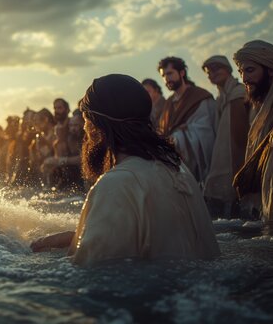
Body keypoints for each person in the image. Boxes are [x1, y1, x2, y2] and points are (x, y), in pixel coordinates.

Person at [30, 74, 220, 266]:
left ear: (97, 125)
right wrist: (78, 239)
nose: (85, 131)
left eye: (86, 120)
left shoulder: (116, 184)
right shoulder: (177, 168)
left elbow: (97, 277)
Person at [232, 40, 273, 227]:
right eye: (241, 72)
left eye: (250, 70)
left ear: (270, 69)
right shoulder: (260, 106)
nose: (244, 79)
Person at [201, 55, 249, 218]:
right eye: (208, 72)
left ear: (227, 69)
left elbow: (239, 135)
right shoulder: (220, 98)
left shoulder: (239, 92)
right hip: (220, 161)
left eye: (216, 69)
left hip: (236, 159)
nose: (212, 74)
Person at [157, 57, 216, 185]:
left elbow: (207, 130)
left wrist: (180, 135)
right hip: (176, 165)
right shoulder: (168, 103)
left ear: (182, 73)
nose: (166, 78)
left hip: (198, 165)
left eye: (169, 73)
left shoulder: (200, 97)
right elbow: (163, 130)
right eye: (163, 75)